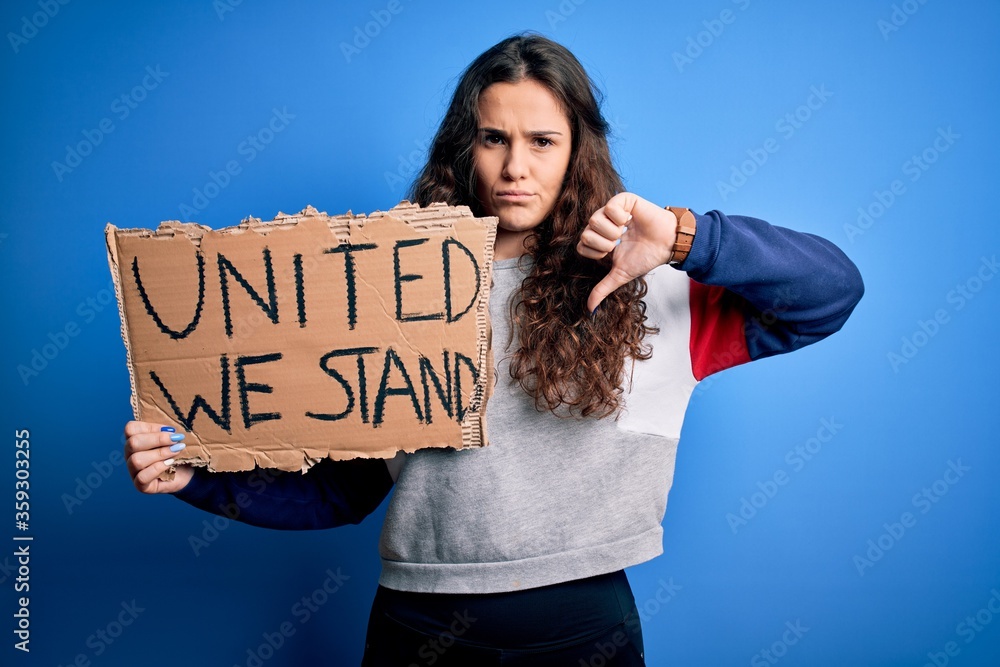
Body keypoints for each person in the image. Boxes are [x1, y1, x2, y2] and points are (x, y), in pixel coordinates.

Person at [124, 33, 863, 665]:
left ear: (577, 150)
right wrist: (193, 475)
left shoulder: (651, 286)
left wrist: (682, 236)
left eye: (543, 141)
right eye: (494, 138)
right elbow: (341, 491)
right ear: (464, 146)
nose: (516, 167)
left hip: (582, 630)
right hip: (416, 628)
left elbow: (829, 291)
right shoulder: (388, 289)